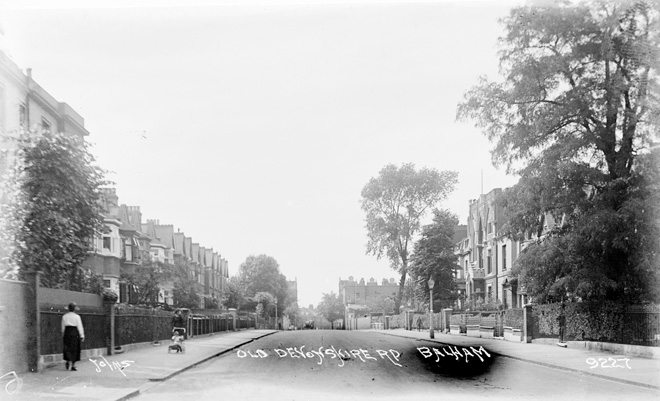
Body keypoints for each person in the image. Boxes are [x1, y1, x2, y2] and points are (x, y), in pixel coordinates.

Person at [61, 302, 85, 371]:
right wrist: (82, 335)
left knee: (67, 347)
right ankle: (73, 365)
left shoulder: (64, 316)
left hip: (67, 332)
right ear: (75, 309)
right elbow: (80, 326)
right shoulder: (77, 317)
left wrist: (63, 334)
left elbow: (63, 327)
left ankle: (68, 361)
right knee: (75, 348)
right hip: (74, 333)